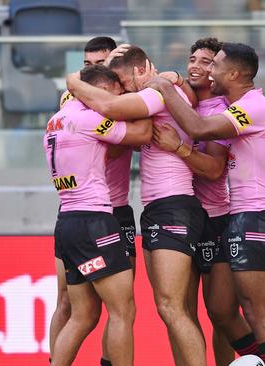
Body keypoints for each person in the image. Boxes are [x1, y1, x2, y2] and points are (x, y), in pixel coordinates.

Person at [145, 42, 265, 366]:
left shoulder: (255, 106)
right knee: (222, 311)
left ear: (234, 73)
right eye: (196, 61)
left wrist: (163, 86)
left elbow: (200, 135)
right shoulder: (234, 105)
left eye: (214, 64)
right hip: (243, 216)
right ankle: (255, 362)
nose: (208, 70)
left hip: (258, 217)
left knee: (257, 311)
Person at [67, 46, 207, 366]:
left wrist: (73, 81)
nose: (120, 87)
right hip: (159, 207)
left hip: (174, 205)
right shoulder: (162, 88)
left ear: (140, 70)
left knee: (172, 307)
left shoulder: (155, 92)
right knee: (171, 307)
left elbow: (111, 104)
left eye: (121, 79)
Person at [152, 37, 254, 366]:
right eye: (192, 58)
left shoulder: (221, 111)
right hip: (179, 215)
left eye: (206, 62)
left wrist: (179, 148)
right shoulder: (185, 103)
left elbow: (213, 170)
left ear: (221, 72)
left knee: (220, 313)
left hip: (215, 218)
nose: (195, 65)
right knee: (178, 311)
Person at [48, 65, 152, 366]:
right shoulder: (89, 118)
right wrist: (145, 93)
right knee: (123, 310)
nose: (119, 100)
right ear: (102, 90)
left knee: (82, 316)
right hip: (94, 221)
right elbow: (142, 133)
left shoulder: (56, 119)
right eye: (118, 93)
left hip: (67, 221)